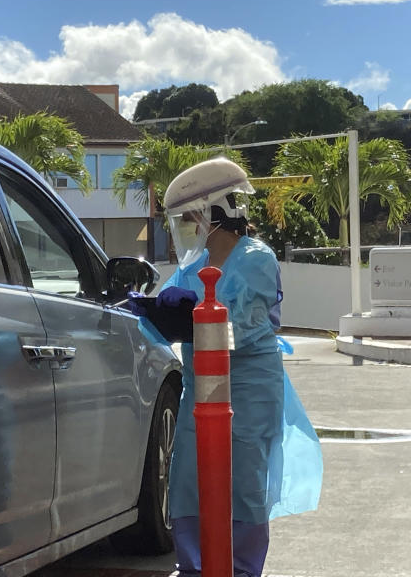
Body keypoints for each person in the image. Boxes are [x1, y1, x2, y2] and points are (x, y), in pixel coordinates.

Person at [131, 157, 323, 577]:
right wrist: (152, 313)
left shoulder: (256, 258)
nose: (188, 227)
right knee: (188, 480)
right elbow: (168, 323)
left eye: (191, 218)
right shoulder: (190, 268)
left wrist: (196, 316)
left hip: (250, 388)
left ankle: (240, 569)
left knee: (245, 486)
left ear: (216, 213)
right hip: (199, 390)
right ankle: (196, 567)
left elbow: (242, 326)